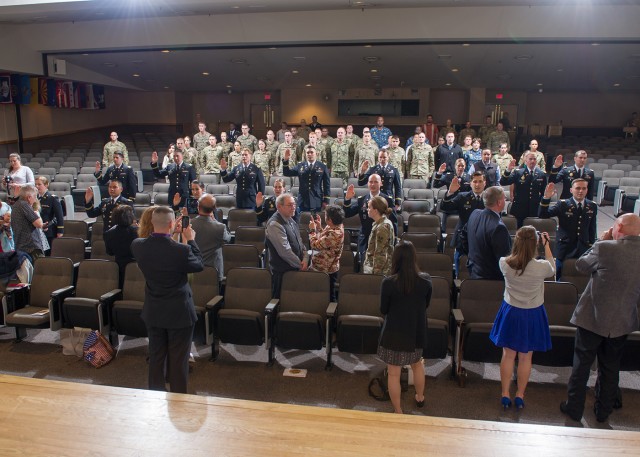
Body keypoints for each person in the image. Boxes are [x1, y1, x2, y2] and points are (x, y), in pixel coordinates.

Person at [560, 214, 640, 423]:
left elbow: (581, 265)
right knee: (611, 367)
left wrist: (601, 240)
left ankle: (574, 408)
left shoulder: (606, 248)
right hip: (622, 321)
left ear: (619, 227)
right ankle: (603, 411)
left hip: (592, 318)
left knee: (582, 365)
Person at [131, 206, 203, 394]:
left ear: (152, 223)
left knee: (156, 358)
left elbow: (163, 251)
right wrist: (191, 239)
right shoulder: (181, 251)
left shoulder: (138, 245)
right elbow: (198, 265)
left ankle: (155, 400)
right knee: (178, 361)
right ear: (172, 223)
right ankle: (179, 400)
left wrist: (174, 235)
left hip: (154, 311)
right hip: (179, 313)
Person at [489, 226, 555, 410]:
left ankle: (504, 393)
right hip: (533, 313)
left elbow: (513, 259)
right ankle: (519, 395)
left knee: (508, 355)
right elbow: (553, 268)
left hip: (511, 311)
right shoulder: (541, 268)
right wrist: (547, 245)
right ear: (536, 244)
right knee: (526, 357)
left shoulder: (504, 263)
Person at [377, 241, 431, 414]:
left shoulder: (388, 283)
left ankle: (398, 410)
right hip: (416, 332)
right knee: (417, 365)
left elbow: (383, 309)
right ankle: (420, 397)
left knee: (394, 373)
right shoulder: (426, 281)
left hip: (394, 334)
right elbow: (425, 305)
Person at [539, 180, 597, 278]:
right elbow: (543, 214)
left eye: (584, 188)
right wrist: (546, 198)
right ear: (571, 190)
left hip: (583, 247)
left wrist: (591, 245)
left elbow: (592, 227)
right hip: (565, 248)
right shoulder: (563, 204)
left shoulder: (592, 205)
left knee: (582, 277)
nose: (580, 191)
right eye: (578, 188)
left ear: (587, 190)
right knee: (560, 276)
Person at [440, 171, 486, 276]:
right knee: (460, 271)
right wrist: (450, 193)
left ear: (485, 183)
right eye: (475, 182)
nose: (477, 184)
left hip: (482, 240)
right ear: (470, 183)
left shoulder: (489, 198)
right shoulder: (462, 197)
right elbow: (445, 207)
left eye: (480, 181)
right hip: (463, 239)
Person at [343, 174, 395, 263]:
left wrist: (394, 238)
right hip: (365, 237)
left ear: (381, 183)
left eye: (375, 182)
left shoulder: (387, 199)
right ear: (367, 183)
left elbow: (394, 221)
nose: (373, 184)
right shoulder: (362, 200)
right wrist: (347, 198)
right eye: (370, 182)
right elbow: (347, 214)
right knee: (363, 262)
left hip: (381, 237)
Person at [264, 194, 308, 298]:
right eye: (290, 205)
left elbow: (300, 243)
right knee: (280, 303)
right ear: (279, 206)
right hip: (282, 273)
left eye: (294, 204)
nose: (294, 207)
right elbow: (284, 251)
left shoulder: (291, 220)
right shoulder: (275, 224)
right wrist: (300, 265)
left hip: (295, 269)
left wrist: (305, 258)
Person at [466, 186, 512, 280]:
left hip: (473, 272)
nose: (505, 200)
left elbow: (463, 236)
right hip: (491, 279)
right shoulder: (499, 227)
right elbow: (503, 259)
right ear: (499, 202)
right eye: (504, 198)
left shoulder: (474, 213)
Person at [500, 151, 547, 227]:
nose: (532, 161)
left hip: (534, 208)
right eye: (530, 159)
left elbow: (543, 193)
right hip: (520, 208)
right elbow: (503, 182)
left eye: (534, 159)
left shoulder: (541, 174)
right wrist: (508, 170)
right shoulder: (518, 173)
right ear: (526, 161)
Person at [308, 205, 344, 301]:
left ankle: (331, 315)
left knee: (328, 296)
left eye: (326, 215)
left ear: (330, 220)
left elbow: (315, 245)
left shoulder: (335, 233)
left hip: (327, 269)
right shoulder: (333, 226)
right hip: (323, 266)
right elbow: (325, 239)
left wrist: (312, 230)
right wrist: (319, 228)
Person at [191, 194, 231, 282]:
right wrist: (215, 221)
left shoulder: (190, 225)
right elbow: (228, 239)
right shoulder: (220, 227)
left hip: (193, 269)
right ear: (214, 209)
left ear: (198, 207)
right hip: (213, 272)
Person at [283, 145, 330, 213]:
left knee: (315, 220)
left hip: (316, 199)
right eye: (308, 153)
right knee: (301, 220)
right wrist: (286, 160)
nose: (309, 154)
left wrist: (326, 200)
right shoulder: (300, 166)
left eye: (311, 152)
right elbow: (287, 173)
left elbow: (327, 185)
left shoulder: (322, 166)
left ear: (316, 154)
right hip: (303, 199)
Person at [104, 205, 138, 287]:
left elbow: (110, 252)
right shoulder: (137, 232)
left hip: (118, 267)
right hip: (136, 268)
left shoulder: (108, 233)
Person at [10, 184, 45, 261]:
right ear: (29, 197)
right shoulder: (25, 205)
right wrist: (36, 212)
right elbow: (39, 224)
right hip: (31, 248)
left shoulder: (16, 205)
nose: (36, 199)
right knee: (40, 270)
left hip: (20, 246)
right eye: (35, 197)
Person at [362, 195, 395, 275]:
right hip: (373, 268)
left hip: (379, 271)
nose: (367, 209)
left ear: (376, 210)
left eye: (369, 207)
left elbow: (380, 253)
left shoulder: (383, 227)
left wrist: (376, 275)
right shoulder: (378, 223)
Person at [35, 176, 64, 252]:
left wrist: (60, 231)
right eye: (36, 184)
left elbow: (59, 216)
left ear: (46, 185)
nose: (37, 186)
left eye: (39, 184)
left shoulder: (52, 198)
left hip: (48, 231)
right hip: (37, 230)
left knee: (48, 253)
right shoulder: (35, 198)